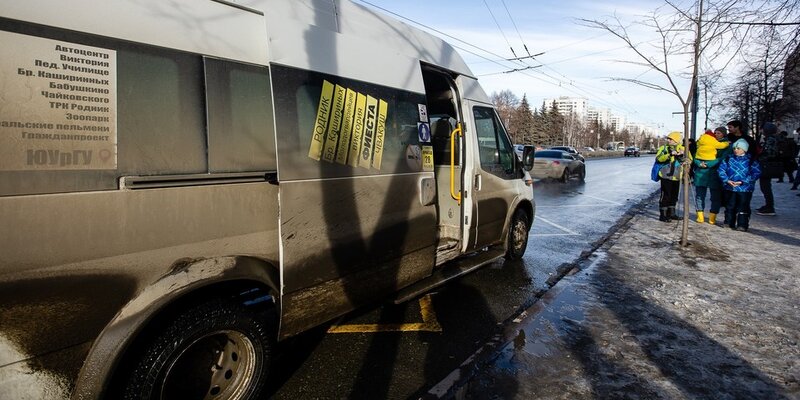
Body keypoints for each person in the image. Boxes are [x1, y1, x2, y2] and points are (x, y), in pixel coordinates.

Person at [718, 139, 761, 231]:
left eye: (738, 148)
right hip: (730, 187)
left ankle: (742, 224)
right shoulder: (728, 158)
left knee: (743, 206)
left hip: (745, 188)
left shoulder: (751, 160)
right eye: (734, 148)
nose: (736, 150)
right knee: (730, 205)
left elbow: (756, 173)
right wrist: (726, 180)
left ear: (744, 149)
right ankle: (729, 222)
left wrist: (743, 181)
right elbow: (721, 169)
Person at [693, 126, 730, 224]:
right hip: (701, 173)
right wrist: (698, 163)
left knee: (715, 196)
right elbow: (696, 155)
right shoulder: (706, 142)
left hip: (715, 173)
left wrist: (709, 164)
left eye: (719, 133)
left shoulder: (726, 145)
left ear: (724, 134)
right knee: (699, 195)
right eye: (716, 132)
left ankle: (712, 216)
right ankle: (700, 215)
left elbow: (722, 158)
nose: (717, 134)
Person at [656, 131, 691, 222]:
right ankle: (663, 215)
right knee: (666, 195)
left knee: (674, 195)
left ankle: (671, 213)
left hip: (677, 176)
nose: (668, 140)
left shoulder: (683, 149)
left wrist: (682, 157)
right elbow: (659, 158)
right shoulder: (664, 148)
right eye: (668, 138)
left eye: (670, 139)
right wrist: (670, 154)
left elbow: (690, 160)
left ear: (676, 140)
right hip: (665, 175)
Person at [756, 122, 780, 216]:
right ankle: (768, 205)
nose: (761, 131)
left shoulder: (770, 139)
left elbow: (769, 153)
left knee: (765, 187)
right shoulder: (771, 139)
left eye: (762, 129)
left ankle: (770, 207)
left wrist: (760, 157)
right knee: (765, 186)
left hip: (767, 165)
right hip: (767, 165)